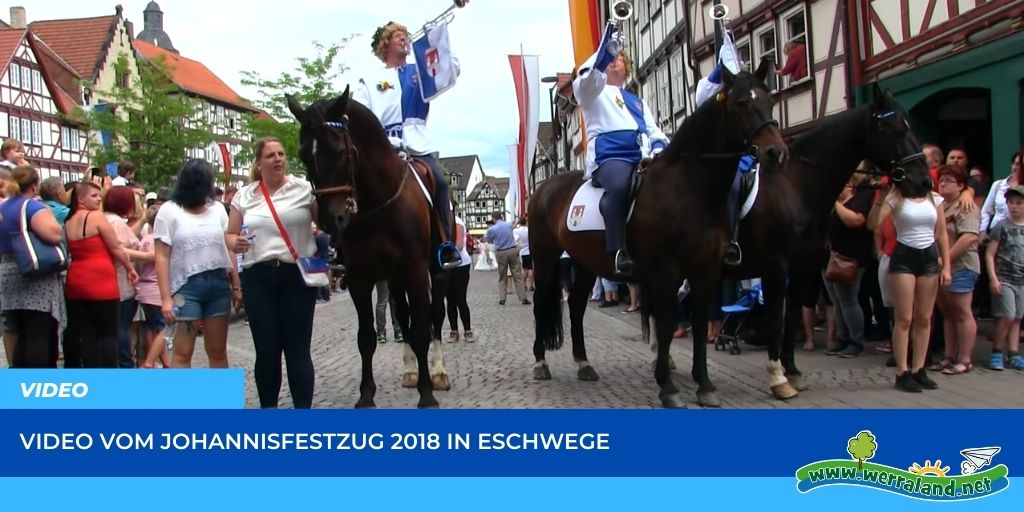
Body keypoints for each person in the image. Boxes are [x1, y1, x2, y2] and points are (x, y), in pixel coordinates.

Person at [353, 20, 461, 269]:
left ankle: (445, 245)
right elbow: (359, 114)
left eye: (405, 35)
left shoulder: (421, 71)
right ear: (385, 45)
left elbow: (451, 68)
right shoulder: (369, 80)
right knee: (354, 185)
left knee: (441, 184)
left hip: (418, 143)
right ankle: (347, 248)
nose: (404, 39)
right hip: (382, 145)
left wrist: (437, 38)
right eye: (397, 36)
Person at [228, 137, 318, 408]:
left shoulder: (304, 189)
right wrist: (235, 242)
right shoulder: (243, 195)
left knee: (297, 350)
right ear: (259, 163)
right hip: (258, 276)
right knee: (266, 350)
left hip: (297, 275)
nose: (278, 158)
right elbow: (230, 235)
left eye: (281, 154)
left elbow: (324, 222)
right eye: (271, 155)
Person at [573, 30, 668, 276]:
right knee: (620, 186)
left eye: (620, 58)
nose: (617, 60)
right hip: (611, 156)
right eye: (612, 58)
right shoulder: (593, 92)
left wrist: (659, 146)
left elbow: (653, 129)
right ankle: (618, 250)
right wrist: (603, 56)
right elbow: (585, 82)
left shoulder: (637, 101)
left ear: (628, 67)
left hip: (642, 155)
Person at [867, 169, 951, 392]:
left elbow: (941, 232)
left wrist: (947, 266)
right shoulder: (896, 197)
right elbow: (872, 224)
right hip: (904, 254)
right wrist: (881, 200)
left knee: (924, 317)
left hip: (929, 256)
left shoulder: (934, 197)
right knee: (904, 317)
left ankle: (919, 368)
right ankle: (902, 371)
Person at [155, 160, 240, 369]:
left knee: (218, 351)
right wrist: (166, 298)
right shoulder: (169, 211)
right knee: (183, 352)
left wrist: (236, 284)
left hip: (218, 284)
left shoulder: (218, 209)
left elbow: (227, 247)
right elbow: (161, 256)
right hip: (186, 288)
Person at [64, 181, 137, 368]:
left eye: (99, 196)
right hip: (100, 278)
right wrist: (130, 268)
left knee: (88, 333)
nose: (98, 199)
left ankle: (90, 372)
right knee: (108, 333)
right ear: (80, 198)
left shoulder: (69, 220)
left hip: (77, 278)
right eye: (94, 196)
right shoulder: (96, 217)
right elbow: (116, 248)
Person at [0, 166, 65, 367]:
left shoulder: (3, 207)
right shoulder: (31, 207)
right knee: (38, 333)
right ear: (34, 186)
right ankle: (38, 384)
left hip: (7, 272)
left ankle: (20, 382)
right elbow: (55, 234)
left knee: (21, 333)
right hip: (35, 274)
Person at [933, 165, 980, 375]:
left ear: (961, 185)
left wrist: (946, 259)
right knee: (948, 313)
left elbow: (969, 236)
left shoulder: (965, 205)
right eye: (941, 180)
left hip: (961, 266)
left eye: (949, 180)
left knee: (962, 312)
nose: (943, 183)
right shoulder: (939, 205)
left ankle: (965, 358)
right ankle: (949, 356)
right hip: (939, 267)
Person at [984, 185, 1024, 371]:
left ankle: (1014, 353)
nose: (1014, 206)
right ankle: (997, 350)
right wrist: (993, 278)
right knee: (1007, 315)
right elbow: (990, 254)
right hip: (1005, 278)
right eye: (1010, 203)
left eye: (1019, 203)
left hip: (1022, 279)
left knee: (1017, 317)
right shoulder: (1001, 227)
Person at [104, 186, 142, 368]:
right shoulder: (116, 223)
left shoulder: (106, 219)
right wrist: (148, 256)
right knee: (121, 327)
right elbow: (119, 250)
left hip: (114, 281)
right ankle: (125, 365)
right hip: (121, 281)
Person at [484, 212, 529, 305]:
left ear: (493, 219)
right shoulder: (508, 224)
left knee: (502, 276)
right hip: (512, 250)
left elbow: (487, 239)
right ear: (501, 217)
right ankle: (523, 298)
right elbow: (515, 223)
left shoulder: (492, 229)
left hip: (501, 252)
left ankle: (502, 298)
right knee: (517, 275)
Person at [446, 211, 475, 342]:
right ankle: (454, 331)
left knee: (460, 299)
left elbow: (458, 245)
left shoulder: (456, 222)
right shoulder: (441, 222)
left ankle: (468, 331)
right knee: (450, 300)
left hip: (460, 264)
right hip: (447, 265)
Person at [513, 216, 533, 291]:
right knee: (531, 269)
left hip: (521, 251)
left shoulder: (516, 231)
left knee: (524, 269)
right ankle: (531, 285)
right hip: (529, 251)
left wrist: (516, 223)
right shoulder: (529, 230)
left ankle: (524, 285)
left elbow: (510, 229)